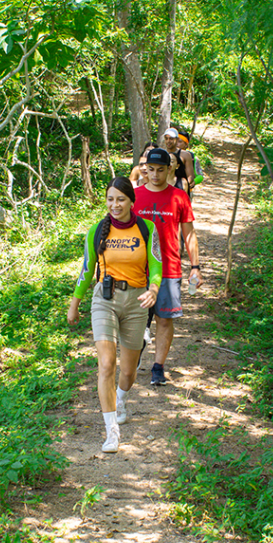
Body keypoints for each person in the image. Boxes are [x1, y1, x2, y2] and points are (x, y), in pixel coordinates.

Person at [67, 177, 162, 453]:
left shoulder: (147, 228)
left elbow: (156, 265)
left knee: (128, 372)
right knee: (107, 364)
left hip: (137, 301)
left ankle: (120, 398)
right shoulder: (97, 230)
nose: (115, 204)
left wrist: (154, 288)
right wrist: (75, 303)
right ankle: (111, 432)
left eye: (120, 199)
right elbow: (87, 270)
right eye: (110, 199)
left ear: (132, 201)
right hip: (105, 299)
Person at [132, 148, 202, 386]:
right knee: (136, 320)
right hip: (136, 268)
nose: (154, 174)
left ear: (170, 169)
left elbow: (189, 234)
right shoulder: (133, 196)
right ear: (145, 169)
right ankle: (136, 351)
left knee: (164, 319)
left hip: (168, 267)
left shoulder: (179, 197)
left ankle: (158, 367)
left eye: (160, 170)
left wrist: (196, 266)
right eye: (150, 169)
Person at [162, 127, 196, 195]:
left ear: (177, 139)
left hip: (180, 188)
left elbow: (190, 176)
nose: (168, 141)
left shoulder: (185, 155)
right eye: (166, 138)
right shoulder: (161, 154)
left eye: (171, 138)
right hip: (163, 188)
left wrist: (184, 186)